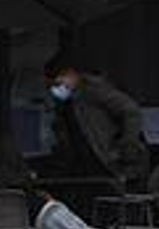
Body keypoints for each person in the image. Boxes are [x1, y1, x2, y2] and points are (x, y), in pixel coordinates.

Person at [45, 52, 149, 189]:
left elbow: (131, 111)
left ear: (71, 74)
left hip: (111, 163)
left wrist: (127, 146)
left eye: (58, 82)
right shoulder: (66, 103)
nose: (56, 89)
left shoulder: (93, 89)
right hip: (87, 166)